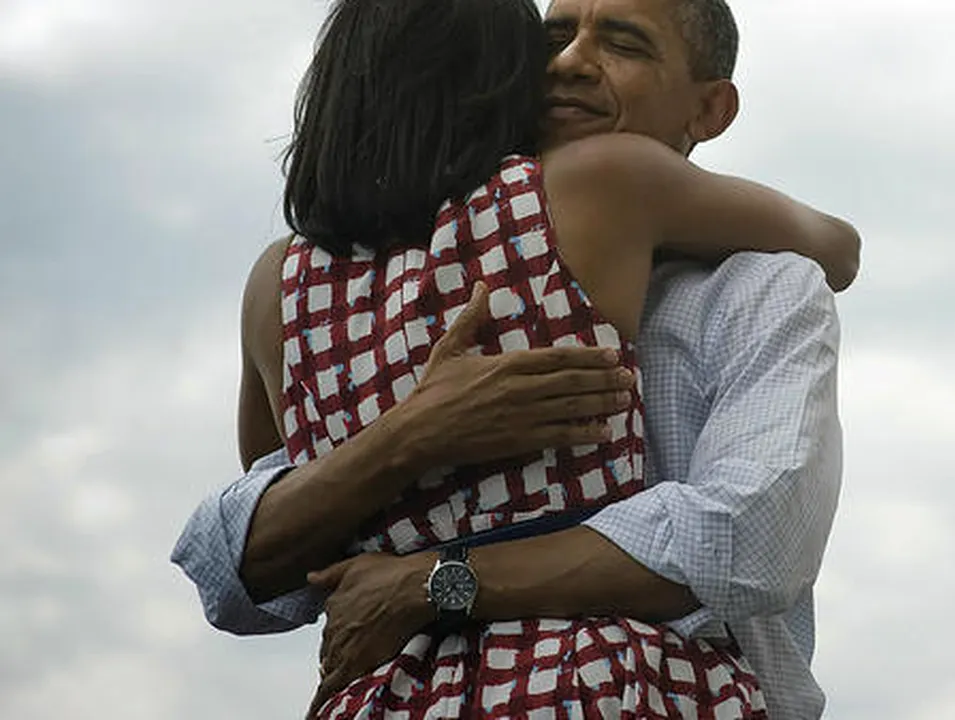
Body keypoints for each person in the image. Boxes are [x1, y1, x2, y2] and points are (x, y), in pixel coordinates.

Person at [173, 0, 852, 717]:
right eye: (549, 42)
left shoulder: (288, 286)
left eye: (623, 44)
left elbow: (751, 538)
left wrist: (432, 578)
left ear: (710, 108)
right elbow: (250, 555)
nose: (565, 64)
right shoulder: (589, 195)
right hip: (606, 684)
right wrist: (410, 434)